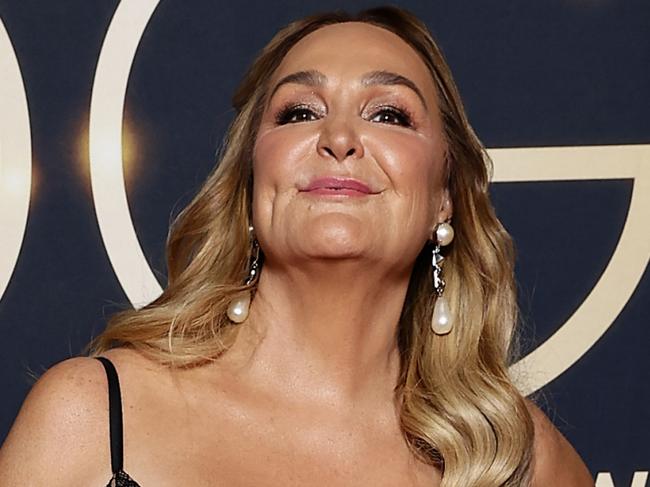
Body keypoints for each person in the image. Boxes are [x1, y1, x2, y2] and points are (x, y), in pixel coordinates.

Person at [0, 6, 594, 486]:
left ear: (445, 196)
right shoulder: (92, 417)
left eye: (388, 114)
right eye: (299, 112)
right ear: (252, 181)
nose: (338, 137)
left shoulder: (517, 459)